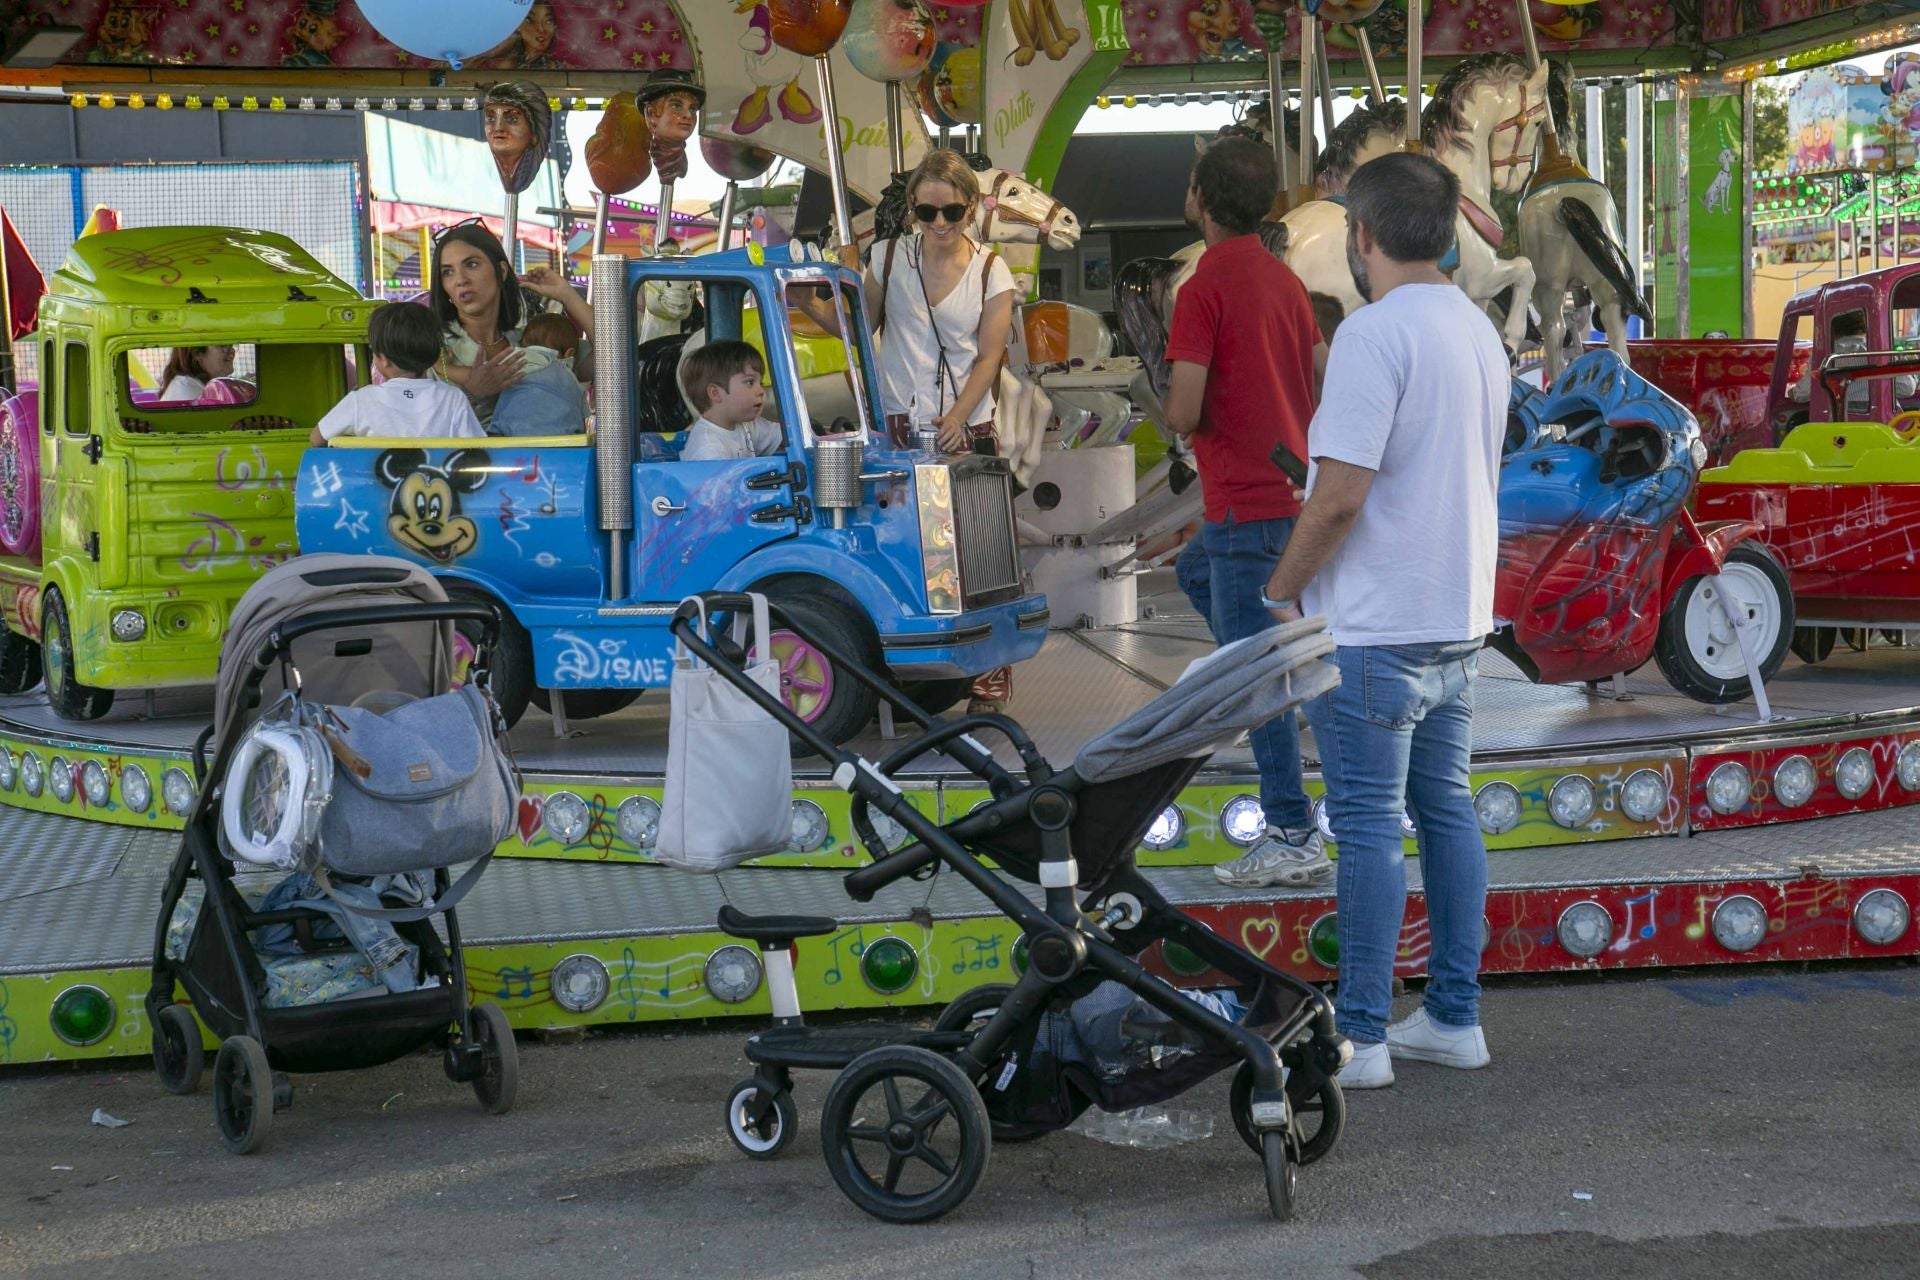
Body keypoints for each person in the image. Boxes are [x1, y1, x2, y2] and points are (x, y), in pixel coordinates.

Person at [1259, 152, 1509, 1090]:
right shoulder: (1477, 329)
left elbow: (1338, 498)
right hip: (1456, 614)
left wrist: (1283, 589)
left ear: (1360, 238)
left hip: (1373, 626)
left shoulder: (1372, 334)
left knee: (1366, 824)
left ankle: (1360, 1039)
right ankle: (1453, 1016)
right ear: (1447, 233)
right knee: (1445, 809)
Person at [1159, 135, 1329, 890]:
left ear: (1198, 196)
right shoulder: (1285, 282)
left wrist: (1165, 410)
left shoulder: (1200, 288)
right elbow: (1320, 375)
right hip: (1289, 495)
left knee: (1251, 680)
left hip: (1241, 507)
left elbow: (1186, 404)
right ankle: (1280, 694)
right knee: (1194, 573)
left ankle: (1291, 828)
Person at [430, 221, 593, 432]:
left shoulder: (535, 339)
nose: (460, 280)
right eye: (447, 272)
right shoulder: (433, 347)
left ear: (502, 271)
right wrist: (472, 394)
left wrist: (567, 295)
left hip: (543, 462)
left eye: (471, 264)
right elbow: (415, 427)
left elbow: (613, 355)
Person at [312, 302, 483, 443]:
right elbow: (477, 449)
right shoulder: (453, 398)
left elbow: (317, 438)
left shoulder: (360, 400)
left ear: (384, 359)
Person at [678, 341, 784, 462]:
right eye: (750, 382)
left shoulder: (746, 425)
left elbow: (787, 436)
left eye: (761, 383)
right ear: (715, 393)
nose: (761, 391)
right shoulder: (708, 451)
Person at [492, 312, 589, 436]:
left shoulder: (515, 359)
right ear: (569, 354)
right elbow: (584, 417)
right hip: (559, 440)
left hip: (509, 434)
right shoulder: (570, 378)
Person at [159, 344, 236, 402]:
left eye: (232, 345)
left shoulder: (189, 384)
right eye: (222, 345)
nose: (232, 351)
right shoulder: (187, 389)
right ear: (197, 354)